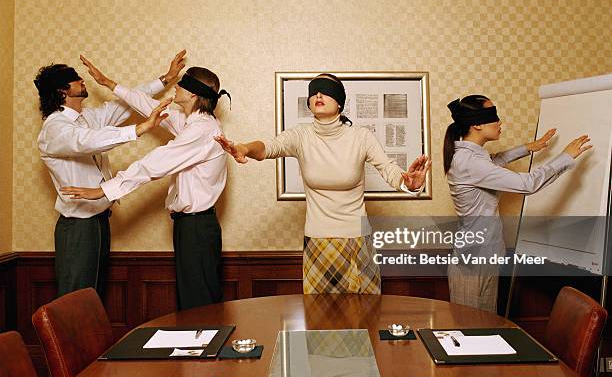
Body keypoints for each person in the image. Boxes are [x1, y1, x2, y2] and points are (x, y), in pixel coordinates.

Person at [215, 73, 431, 294]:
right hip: (317, 242)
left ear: (339, 103)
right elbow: (268, 148)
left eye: (326, 90)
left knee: (365, 316)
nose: (318, 94)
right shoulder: (300, 136)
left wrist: (410, 184)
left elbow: (389, 169)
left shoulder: (361, 137)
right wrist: (243, 148)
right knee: (320, 321)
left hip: (357, 241)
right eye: (314, 91)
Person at [61, 56, 230, 310]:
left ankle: (208, 350)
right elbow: (148, 105)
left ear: (194, 95)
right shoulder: (191, 122)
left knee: (199, 306)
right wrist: (109, 83)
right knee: (194, 303)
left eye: (181, 85)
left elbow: (155, 163)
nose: (176, 87)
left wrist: (104, 190)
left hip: (197, 229)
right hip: (191, 228)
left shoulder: (201, 131)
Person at [35, 54, 183, 298]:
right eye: (75, 79)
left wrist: (165, 79)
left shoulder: (88, 118)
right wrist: (141, 128)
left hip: (99, 222)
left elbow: (124, 104)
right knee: (76, 301)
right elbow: (86, 142)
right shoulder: (54, 128)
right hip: (77, 229)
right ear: (63, 90)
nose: (82, 80)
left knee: (94, 297)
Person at [443, 95, 592, 312]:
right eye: (493, 116)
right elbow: (528, 184)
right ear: (476, 124)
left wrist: (527, 148)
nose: (500, 122)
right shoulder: (469, 162)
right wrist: (565, 157)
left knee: (485, 333)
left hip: (483, 258)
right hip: (472, 265)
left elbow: (495, 161)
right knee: (470, 335)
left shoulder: (471, 155)